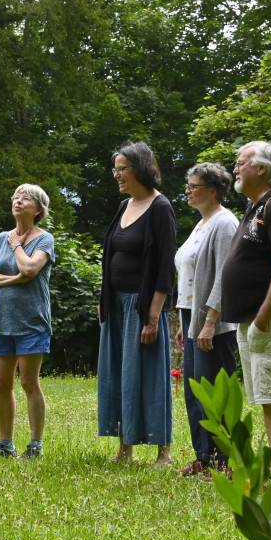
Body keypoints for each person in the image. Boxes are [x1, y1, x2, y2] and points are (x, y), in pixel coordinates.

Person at [221, 141, 271, 487]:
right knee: (267, 398)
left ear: (263, 170)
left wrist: (262, 318)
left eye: (241, 163)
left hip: (270, 320)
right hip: (252, 321)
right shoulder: (257, 206)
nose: (235, 169)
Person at [97, 140, 177, 467]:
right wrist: (105, 300)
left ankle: (164, 453)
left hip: (143, 308)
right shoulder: (124, 206)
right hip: (116, 305)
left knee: (149, 377)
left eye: (122, 169)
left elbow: (163, 267)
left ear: (140, 169)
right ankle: (125, 449)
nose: (116, 174)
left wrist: (153, 316)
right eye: (115, 168)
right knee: (118, 375)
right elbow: (111, 255)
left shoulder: (161, 208)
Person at [173, 163, 240, 476]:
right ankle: (204, 457)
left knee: (215, 394)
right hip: (192, 317)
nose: (187, 190)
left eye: (193, 185)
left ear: (213, 191)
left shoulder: (225, 223)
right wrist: (182, 321)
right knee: (195, 391)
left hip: (214, 321)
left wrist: (211, 321)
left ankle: (225, 463)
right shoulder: (201, 224)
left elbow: (227, 277)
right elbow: (190, 277)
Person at [0, 184, 54, 460]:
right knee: (1, 383)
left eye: (26, 198)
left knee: (28, 382)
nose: (18, 201)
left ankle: (35, 445)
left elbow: (29, 268)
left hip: (32, 321)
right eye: (15, 197)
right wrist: (13, 280)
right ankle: (5, 444)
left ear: (38, 209)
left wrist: (16, 246)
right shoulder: (0, 238)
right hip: (2, 320)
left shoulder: (44, 239)